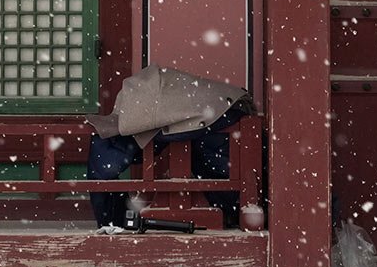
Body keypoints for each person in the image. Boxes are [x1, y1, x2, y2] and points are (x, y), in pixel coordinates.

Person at [85, 64, 252, 230]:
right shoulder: (197, 105)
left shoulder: (166, 107)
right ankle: (232, 212)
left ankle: (112, 222)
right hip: (222, 109)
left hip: (221, 119)